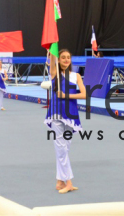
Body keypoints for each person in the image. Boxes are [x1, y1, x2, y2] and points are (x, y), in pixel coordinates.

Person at [45, 49, 87, 194]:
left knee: (64, 148)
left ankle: (59, 181)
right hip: (56, 113)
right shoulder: (55, 74)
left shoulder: (76, 76)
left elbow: (84, 95)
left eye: (68, 57)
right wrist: (52, 50)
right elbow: (52, 60)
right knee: (61, 148)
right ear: (59, 60)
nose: (66, 60)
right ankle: (68, 182)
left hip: (71, 115)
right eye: (63, 57)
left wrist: (65, 95)